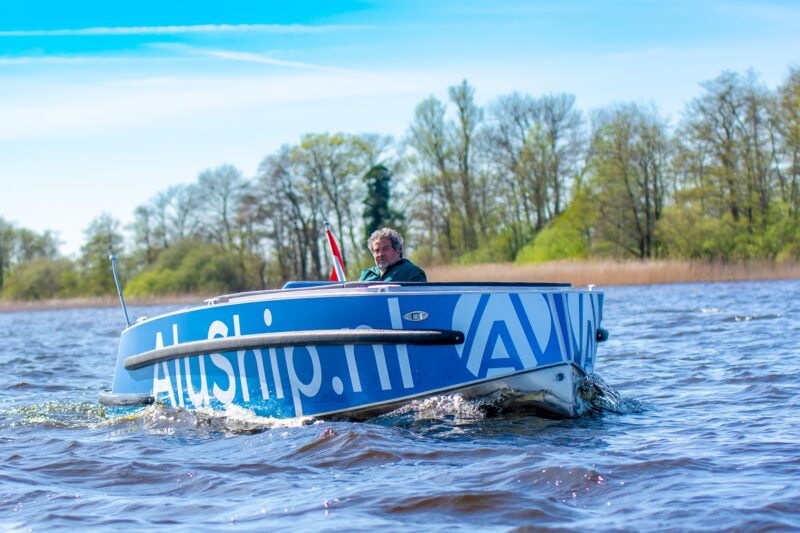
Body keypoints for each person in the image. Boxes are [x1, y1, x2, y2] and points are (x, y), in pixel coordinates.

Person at [359, 228, 427, 282]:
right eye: (377, 251)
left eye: (385, 249)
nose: (380, 254)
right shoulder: (367, 275)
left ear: (397, 251)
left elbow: (419, 299)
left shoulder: (412, 272)